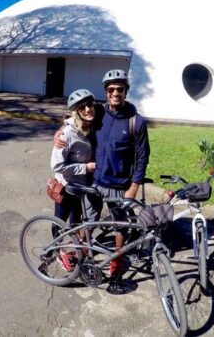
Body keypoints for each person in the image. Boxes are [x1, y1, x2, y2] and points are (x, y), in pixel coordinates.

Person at [57, 69, 150, 278]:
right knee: (88, 221)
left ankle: (117, 260)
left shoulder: (136, 122)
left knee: (119, 225)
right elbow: (75, 119)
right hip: (95, 181)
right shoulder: (98, 112)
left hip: (120, 185)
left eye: (120, 89)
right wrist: (60, 133)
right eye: (111, 90)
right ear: (106, 93)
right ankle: (82, 253)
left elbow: (143, 156)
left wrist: (134, 186)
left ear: (126, 91)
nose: (115, 93)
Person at [50, 89, 97, 271]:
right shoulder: (67, 134)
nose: (87, 109)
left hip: (81, 186)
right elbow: (57, 166)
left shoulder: (89, 126)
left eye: (90, 105)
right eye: (82, 107)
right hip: (67, 186)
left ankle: (73, 248)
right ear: (76, 111)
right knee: (59, 222)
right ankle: (55, 250)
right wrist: (85, 167)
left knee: (75, 222)